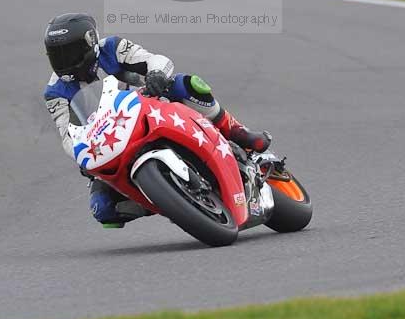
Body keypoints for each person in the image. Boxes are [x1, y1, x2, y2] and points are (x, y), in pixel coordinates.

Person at [44, 12, 271, 229]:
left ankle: (236, 131)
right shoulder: (55, 92)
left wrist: (157, 74)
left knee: (187, 84)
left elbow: (155, 60)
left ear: (90, 43)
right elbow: (68, 135)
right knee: (102, 210)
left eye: (70, 52)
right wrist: (81, 155)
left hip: (149, 105)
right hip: (109, 143)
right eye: (56, 54)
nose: (63, 61)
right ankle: (172, 202)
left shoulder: (112, 48)